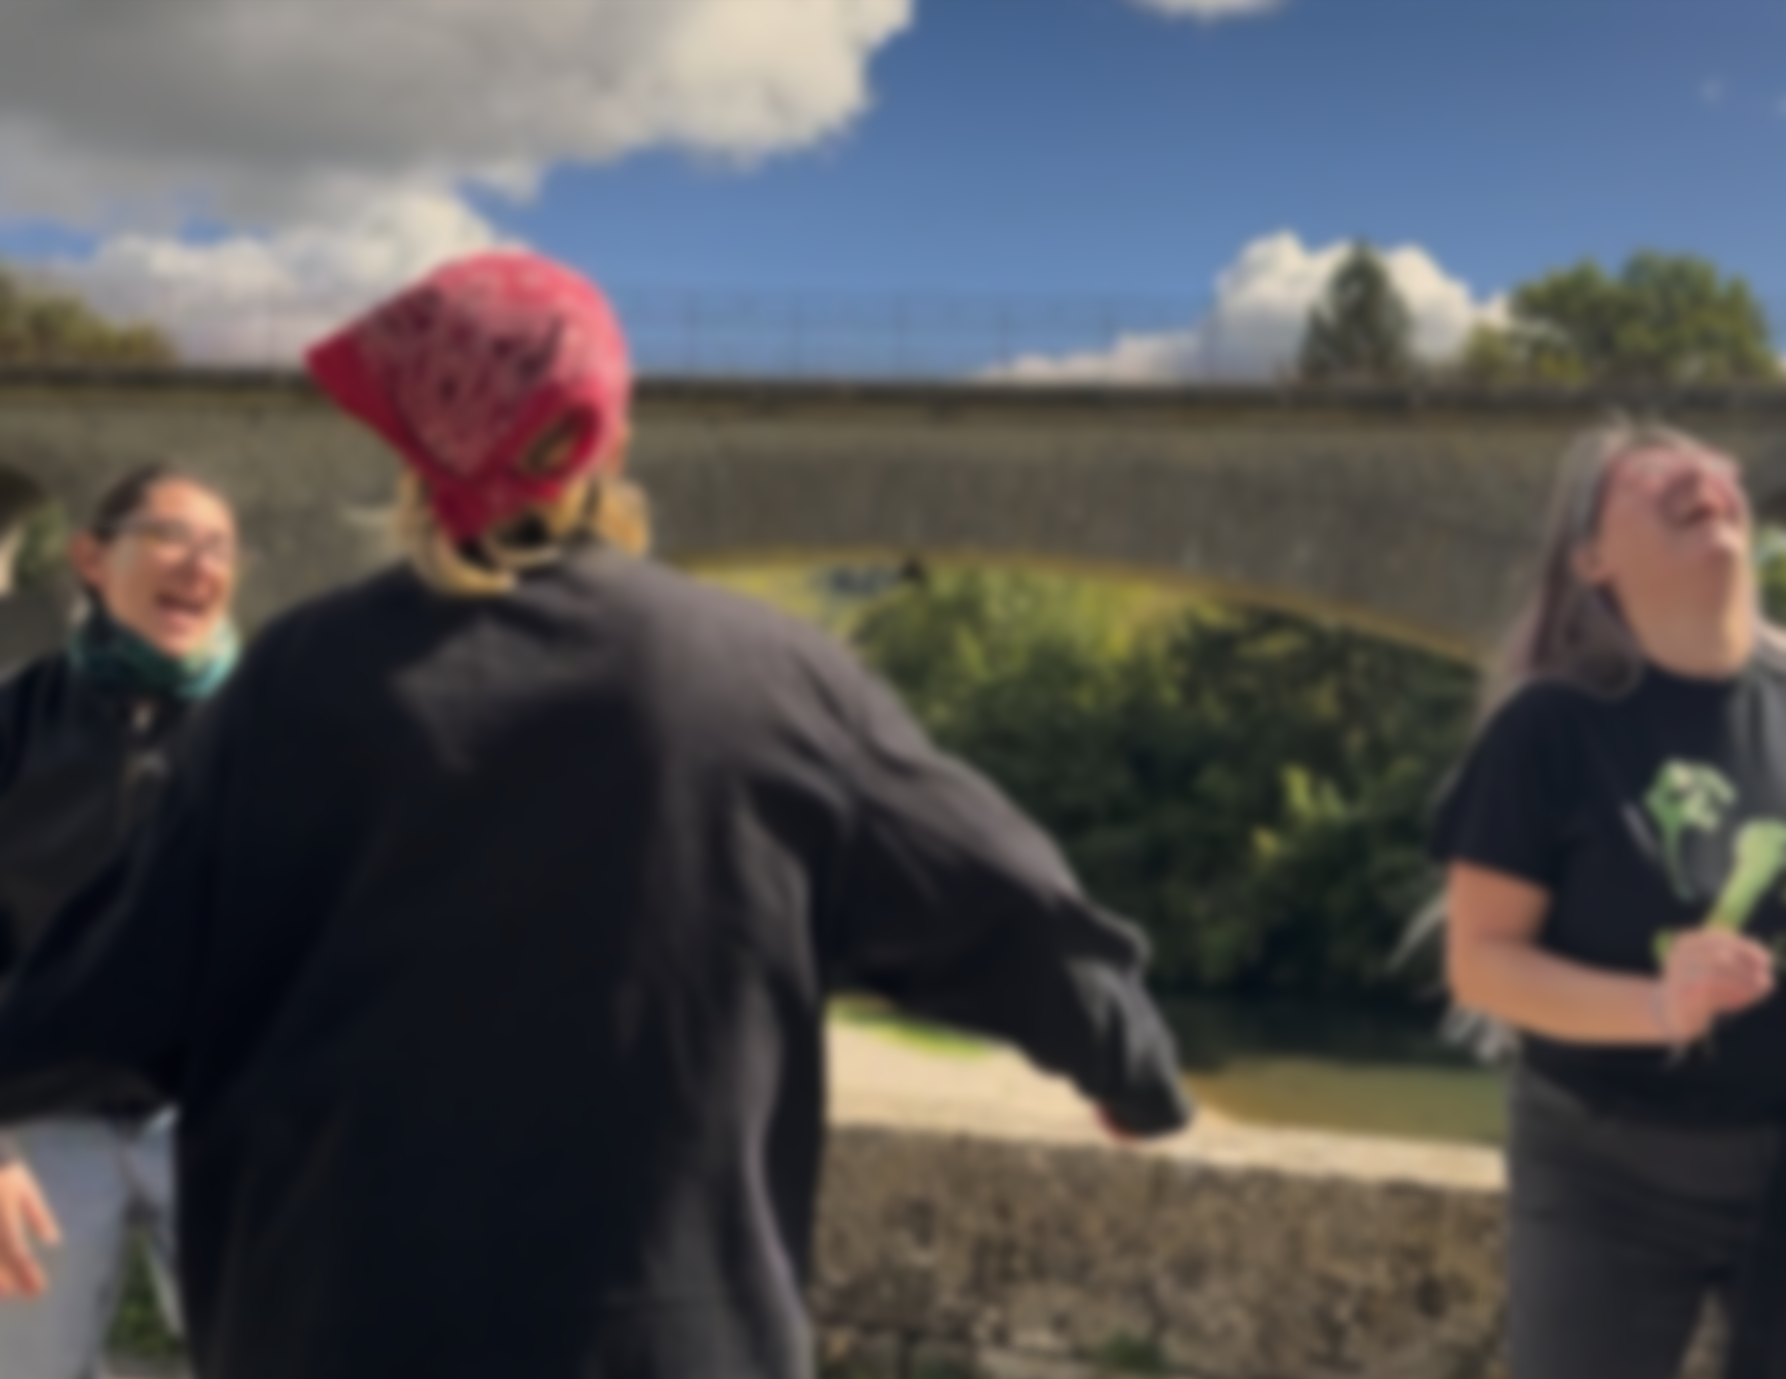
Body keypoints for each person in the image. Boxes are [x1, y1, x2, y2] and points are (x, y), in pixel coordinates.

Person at [0, 251, 1190, 1379]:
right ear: (606, 445)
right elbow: (1008, 902)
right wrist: (1123, 1057)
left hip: (341, 1328)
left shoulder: (298, 678)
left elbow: (120, 969)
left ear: (420, 449)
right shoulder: (770, 675)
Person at [1434, 418, 1786, 1379]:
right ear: (1591, 558)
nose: (1700, 472)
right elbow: (1481, 962)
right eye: (1650, 472)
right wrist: (1657, 1005)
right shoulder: (1550, 727)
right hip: (1607, 1171)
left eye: (1716, 463)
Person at [0, 467, 240, 1376]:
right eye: (172, 535)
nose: (202, 564)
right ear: (90, 559)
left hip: (221, 1123)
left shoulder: (272, 725)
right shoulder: (12, 718)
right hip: (35, 1129)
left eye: (221, 547)